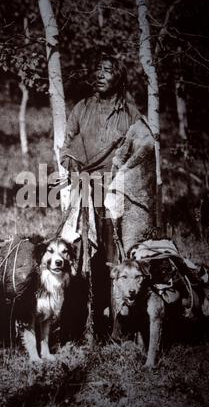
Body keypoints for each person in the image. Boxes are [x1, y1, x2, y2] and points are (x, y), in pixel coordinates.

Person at [60, 52, 156, 333]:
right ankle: (77, 320)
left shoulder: (129, 114)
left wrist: (124, 171)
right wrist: (73, 165)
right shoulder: (81, 108)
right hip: (85, 188)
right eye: (98, 69)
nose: (100, 74)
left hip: (116, 192)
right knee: (78, 253)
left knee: (114, 257)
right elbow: (66, 147)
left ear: (119, 77)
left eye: (108, 70)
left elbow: (144, 147)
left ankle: (119, 324)